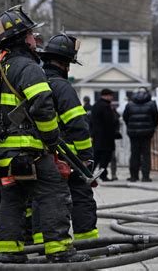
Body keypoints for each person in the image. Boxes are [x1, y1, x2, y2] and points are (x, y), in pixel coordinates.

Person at [0, 5, 89, 263]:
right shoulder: (27, 67)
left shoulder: (1, 67)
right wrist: (52, 138)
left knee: (12, 196)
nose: (35, 40)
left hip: (1, 152)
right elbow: (42, 103)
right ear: (22, 37)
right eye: (32, 35)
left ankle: (8, 251)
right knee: (54, 192)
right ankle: (59, 250)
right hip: (28, 149)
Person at [38, 33, 98, 242]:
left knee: (43, 200)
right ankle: (88, 243)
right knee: (81, 198)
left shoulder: (33, 82)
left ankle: (40, 245)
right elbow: (77, 124)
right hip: (68, 157)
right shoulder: (62, 86)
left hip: (40, 155)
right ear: (65, 64)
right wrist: (85, 157)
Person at [122, 87, 158, 182]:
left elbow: (125, 117)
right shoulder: (152, 104)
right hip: (147, 133)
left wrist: (131, 127)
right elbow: (156, 119)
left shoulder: (129, 105)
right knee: (146, 154)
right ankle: (145, 176)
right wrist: (151, 128)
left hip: (133, 133)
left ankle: (134, 176)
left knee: (134, 154)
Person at [91, 88, 116, 181]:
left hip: (97, 136)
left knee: (96, 157)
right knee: (105, 158)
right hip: (106, 137)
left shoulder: (96, 105)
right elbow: (109, 122)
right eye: (111, 95)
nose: (112, 97)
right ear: (106, 95)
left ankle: (89, 173)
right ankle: (103, 175)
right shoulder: (105, 107)